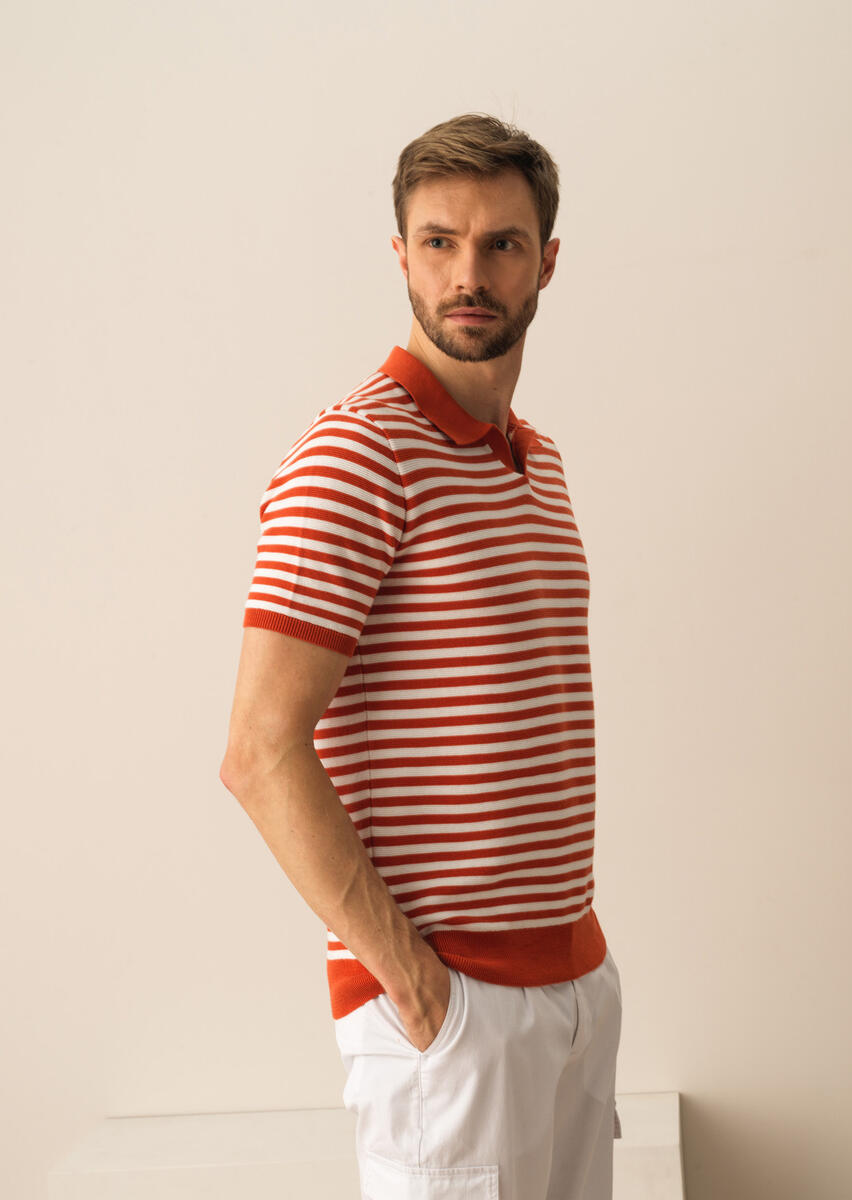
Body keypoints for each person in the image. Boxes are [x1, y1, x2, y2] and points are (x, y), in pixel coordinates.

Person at [219, 111, 622, 1200]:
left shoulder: (536, 461)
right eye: (440, 241)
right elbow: (259, 751)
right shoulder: (357, 454)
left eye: (500, 243)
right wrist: (413, 982)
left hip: (574, 984)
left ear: (546, 262)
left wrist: (580, 977)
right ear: (401, 255)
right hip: (453, 1013)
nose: (468, 273)